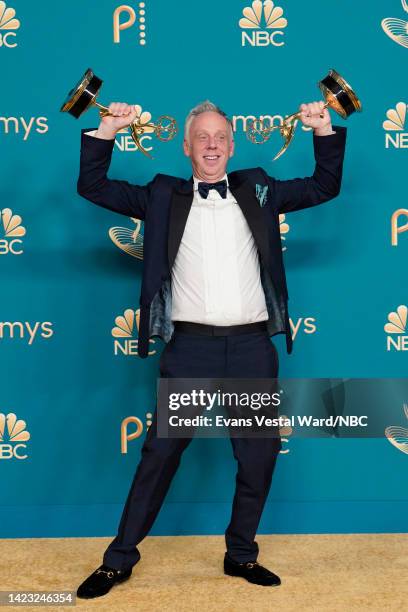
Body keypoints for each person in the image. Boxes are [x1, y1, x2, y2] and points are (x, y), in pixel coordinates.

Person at [75, 99, 347, 598]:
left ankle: (241, 553)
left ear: (232, 145)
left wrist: (324, 129)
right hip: (191, 350)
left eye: (221, 136)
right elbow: (92, 186)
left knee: (259, 456)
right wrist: (107, 129)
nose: (212, 144)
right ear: (187, 147)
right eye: (202, 136)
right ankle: (118, 560)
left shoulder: (259, 188)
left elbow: (324, 185)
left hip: (250, 349)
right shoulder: (161, 196)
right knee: (159, 456)